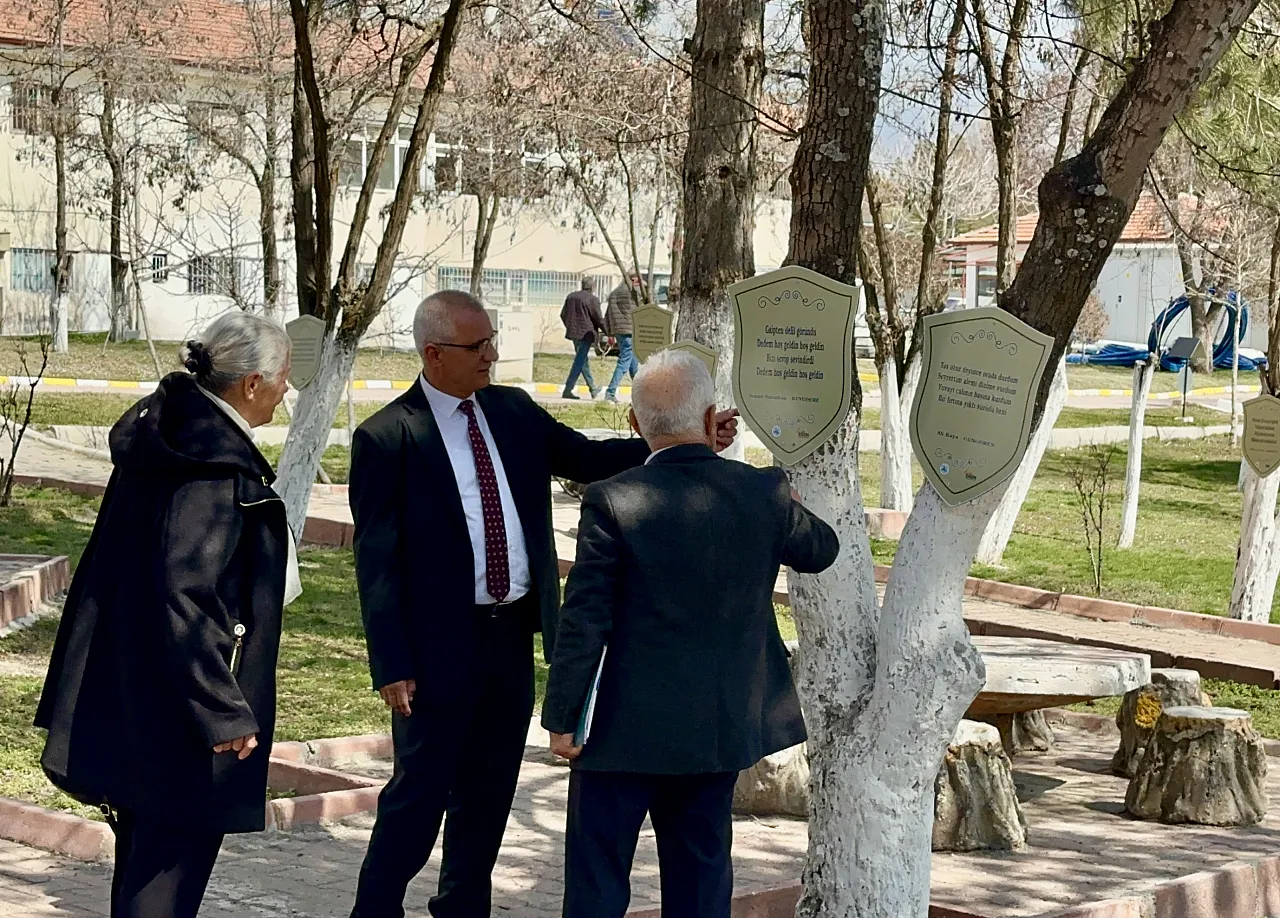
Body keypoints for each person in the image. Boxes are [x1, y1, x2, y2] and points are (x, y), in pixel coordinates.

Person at [346, 290, 739, 918]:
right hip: (434, 650)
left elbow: (586, 458)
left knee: (489, 794)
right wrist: (391, 662)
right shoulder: (388, 437)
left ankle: (461, 908)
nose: (492, 356)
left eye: (492, 340)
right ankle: (374, 908)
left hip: (510, 639)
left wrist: (683, 442)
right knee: (417, 797)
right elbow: (377, 560)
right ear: (434, 354)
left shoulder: (512, 411)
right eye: (478, 347)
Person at [541, 349, 839, 918]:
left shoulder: (612, 499)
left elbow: (586, 616)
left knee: (597, 882)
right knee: (701, 882)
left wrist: (562, 716)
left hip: (620, 732)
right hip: (718, 726)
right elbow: (821, 550)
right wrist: (788, 501)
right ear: (711, 421)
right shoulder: (763, 492)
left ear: (634, 426)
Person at [35, 311, 299, 918]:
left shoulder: (172, 436)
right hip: (183, 716)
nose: (288, 391)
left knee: (145, 873)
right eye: (283, 377)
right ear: (251, 384)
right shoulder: (208, 468)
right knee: (163, 885)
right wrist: (224, 711)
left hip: (139, 689)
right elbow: (185, 595)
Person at [560, 277, 605, 399]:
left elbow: (563, 314)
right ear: (592, 287)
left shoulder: (571, 297)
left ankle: (593, 389)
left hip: (574, 334)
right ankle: (568, 389)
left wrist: (570, 326)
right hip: (586, 334)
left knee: (583, 361)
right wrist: (607, 332)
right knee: (579, 362)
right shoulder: (592, 299)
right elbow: (598, 319)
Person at [604, 277, 640, 402]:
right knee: (624, 363)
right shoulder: (634, 292)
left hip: (618, 331)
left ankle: (639, 396)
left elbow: (607, 315)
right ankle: (610, 392)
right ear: (633, 279)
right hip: (631, 331)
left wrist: (609, 333)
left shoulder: (614, 293)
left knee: (634, 365)